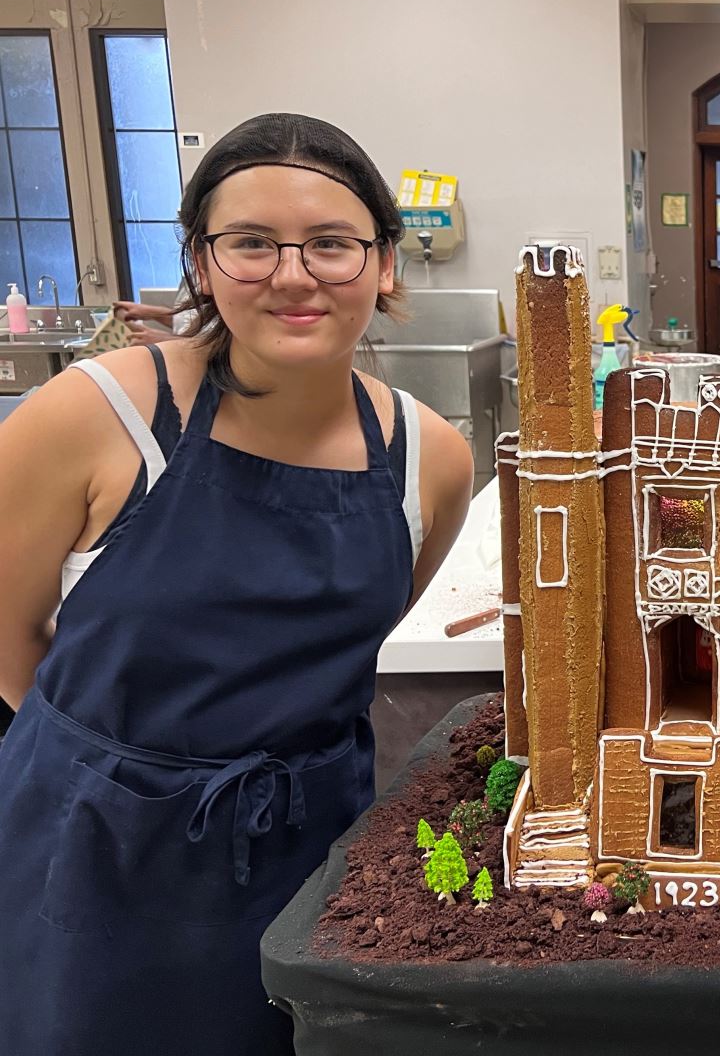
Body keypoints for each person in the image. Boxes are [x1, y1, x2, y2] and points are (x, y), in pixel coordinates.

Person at [0, 113, 475, 1054]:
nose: (293, 275)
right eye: (252, 243)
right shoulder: (97, 416)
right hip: (95, 857)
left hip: (305, 856)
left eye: (332, 245)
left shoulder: (430, 458)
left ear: (384, 266)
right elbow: (9, 642)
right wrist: (126, 777)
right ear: (202, 262)